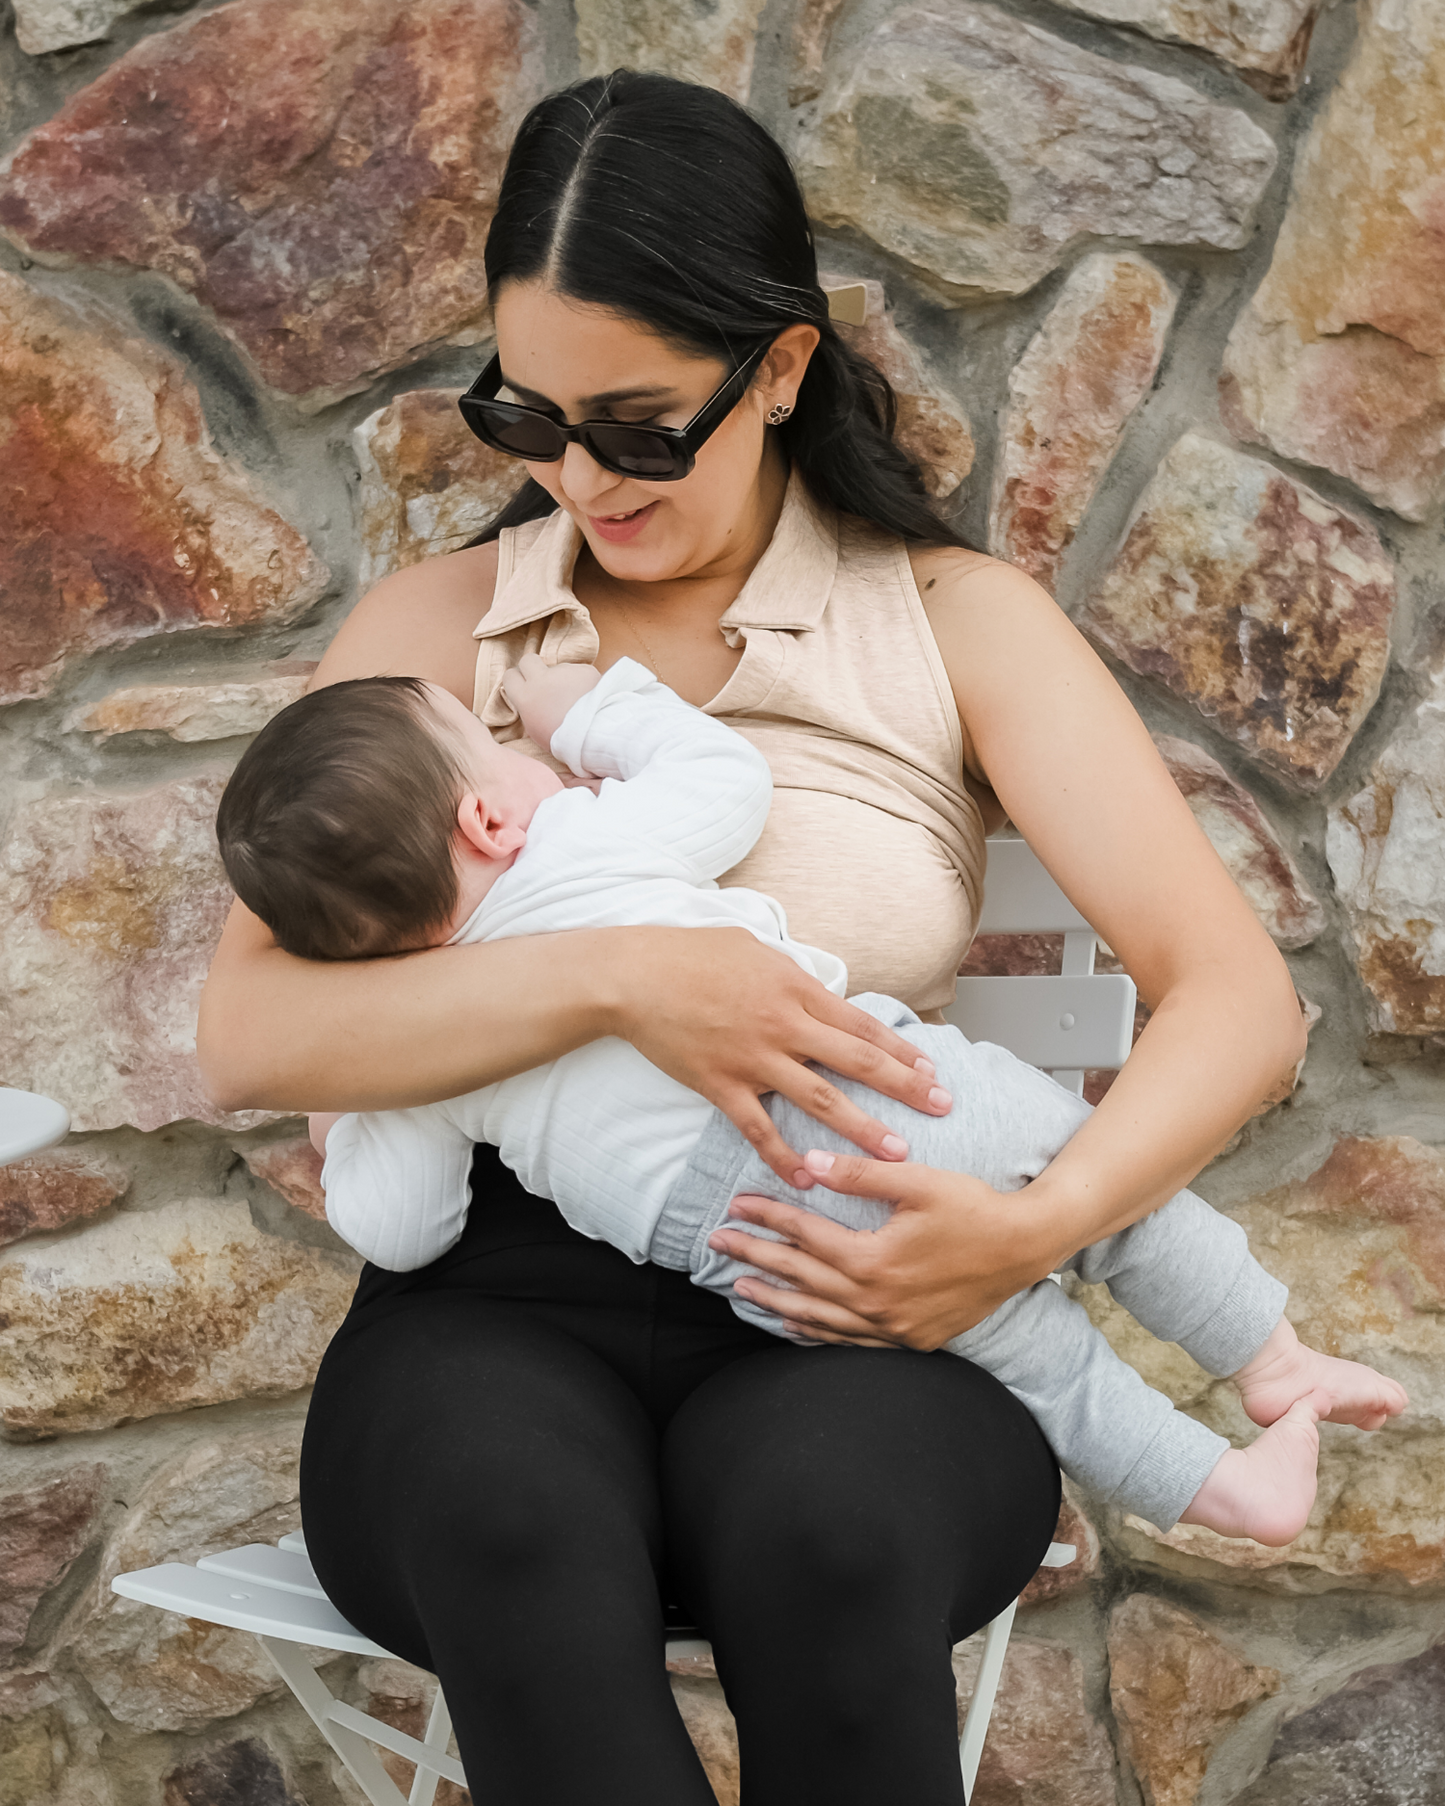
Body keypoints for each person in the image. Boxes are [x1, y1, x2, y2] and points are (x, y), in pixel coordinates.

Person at [197, 70, 1317, 1806]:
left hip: (874, 1278)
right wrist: (627, 974)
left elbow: (1239, 1002)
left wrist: (1029, 1232)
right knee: (505, 1525)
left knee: (838, 1535)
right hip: (496, 1305)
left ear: (780, 369)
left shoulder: (950, 625)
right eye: (531, 420)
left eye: (640, 426)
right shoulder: (436, 644)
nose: (581, 478)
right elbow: (247, 1031)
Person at [215, 652, 1405, 1543]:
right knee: (1121, 1211)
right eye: (490, 749)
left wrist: (349, 1108)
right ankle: (1273, 1362)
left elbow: (402, 1230)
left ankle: (1229, 1492)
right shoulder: (575, 840)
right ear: (487, 816)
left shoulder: (433, 1051)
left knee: (1041, 1367)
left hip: (764, 1255)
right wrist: (583, 709)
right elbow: (721, 777)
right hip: (875, 1100)